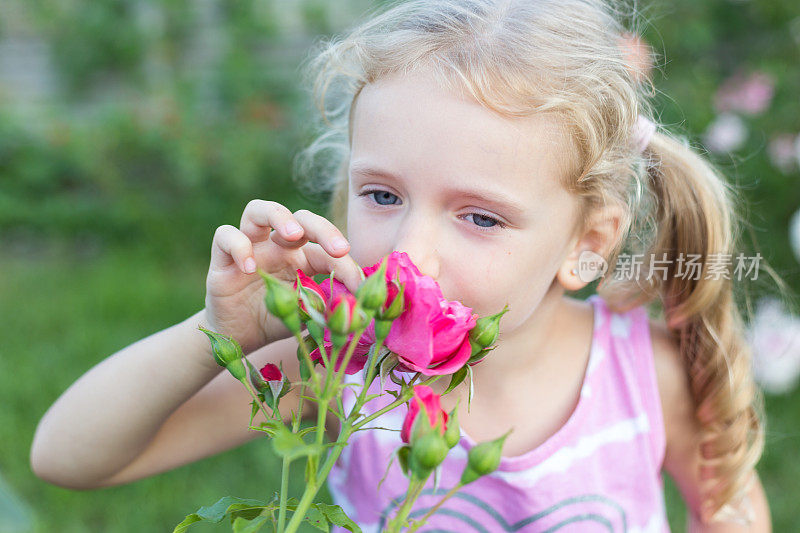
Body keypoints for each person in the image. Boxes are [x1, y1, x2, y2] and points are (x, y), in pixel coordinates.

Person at [30, 0, 774, 531]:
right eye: (383, 194)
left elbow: (726, 505)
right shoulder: (342, 365)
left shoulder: (643, 377)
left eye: (480, 216)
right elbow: (68, 455)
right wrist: (216, 332)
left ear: (588, 242)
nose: (409, 251)